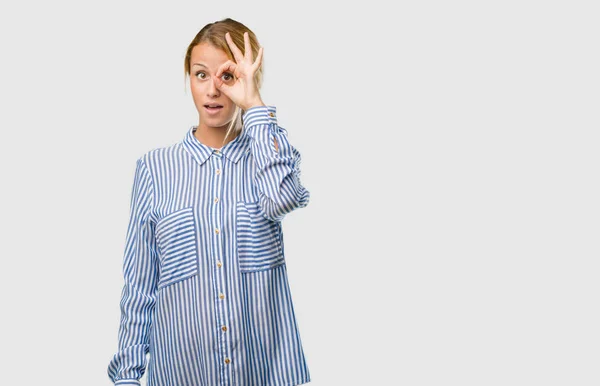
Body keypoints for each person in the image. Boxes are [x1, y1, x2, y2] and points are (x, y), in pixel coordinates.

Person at [106, 18, 312, 386]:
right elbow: (140, 285)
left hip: (263, 375)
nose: (213, 89)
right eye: (201, 75)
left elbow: (282, 199)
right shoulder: (155, 169)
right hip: (181, 375)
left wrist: (254, 106)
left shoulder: (271, 154)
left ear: (249, 80)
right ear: (188, 79)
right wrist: (127, 377)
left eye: (227, 76)